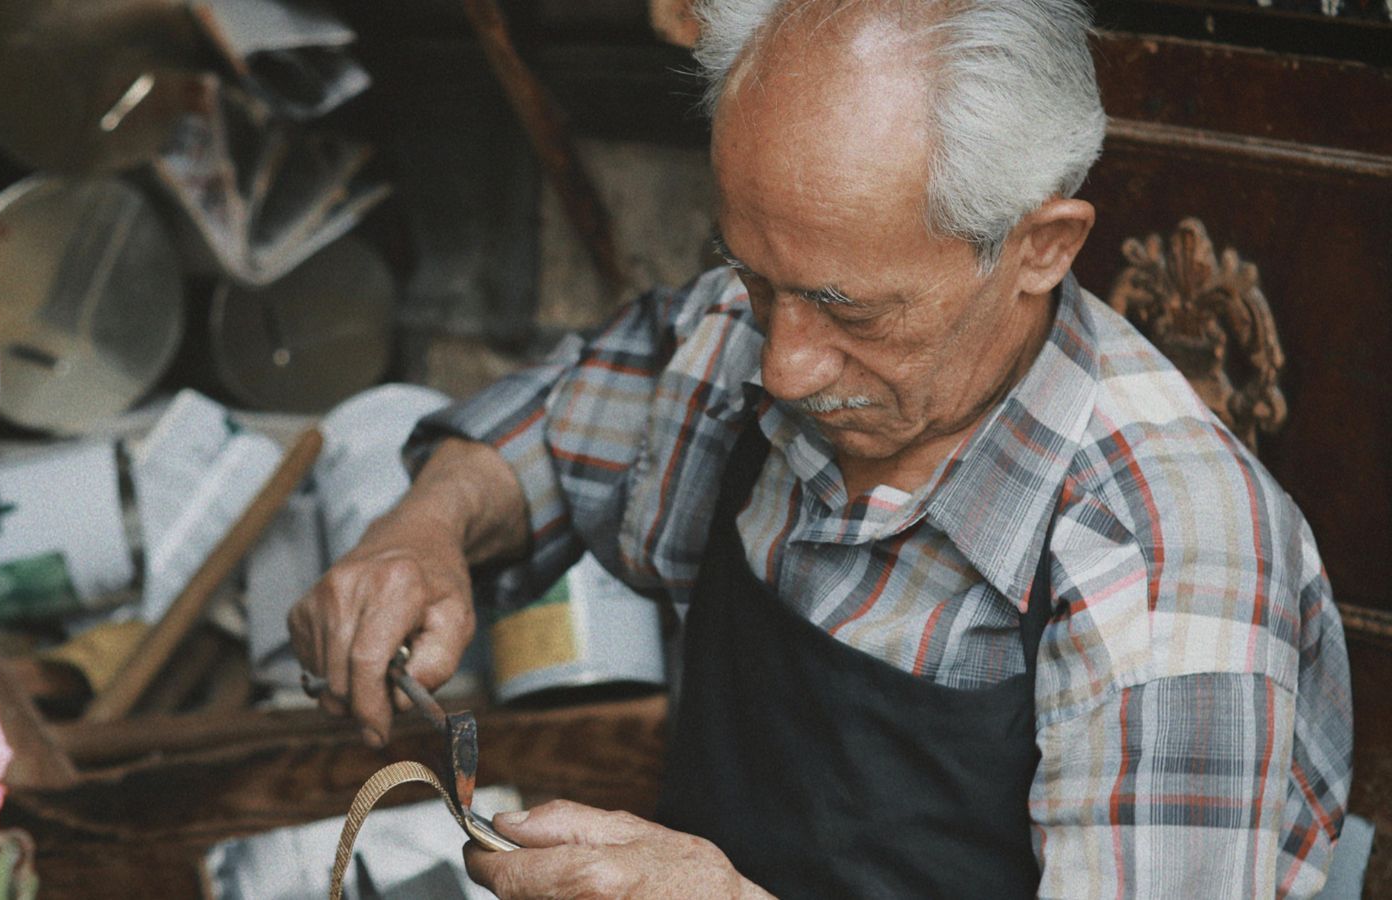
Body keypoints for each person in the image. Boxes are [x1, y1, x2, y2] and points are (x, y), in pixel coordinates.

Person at [288, 0, 1353, 895]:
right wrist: (425, 525)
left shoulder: (1164, 571)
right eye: (755, 277)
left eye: (853, 311)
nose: (785, 365)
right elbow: (555, 433)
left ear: (1039, 248)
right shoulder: (756, 329)